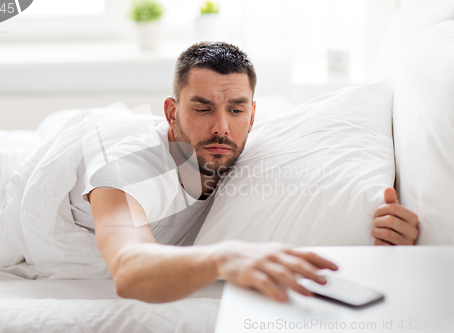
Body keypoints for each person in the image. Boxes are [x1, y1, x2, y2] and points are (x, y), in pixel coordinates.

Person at [75, 42, 419, 304]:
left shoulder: (250, 148)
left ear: (253, 117)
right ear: (171, 112)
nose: (221, 127)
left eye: (236, 109)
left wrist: (377, 226)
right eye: (202, 108)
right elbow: (128, 270)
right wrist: (225, 256)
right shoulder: (125, 167)